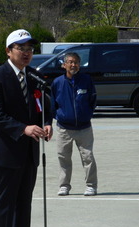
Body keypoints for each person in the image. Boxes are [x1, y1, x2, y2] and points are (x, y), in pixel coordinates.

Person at [0, 29, 53, 227]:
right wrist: (23, 128)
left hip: (30, 152)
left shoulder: (34, 76)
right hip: (5, 150)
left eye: (30, 48)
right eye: (21, 48)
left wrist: (47, 123)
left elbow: (45, 105)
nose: (26, 53)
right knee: (5, 205)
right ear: (8, 51)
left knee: (24, 204)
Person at [51, 52, 98, 196]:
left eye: (76, 62)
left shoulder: (86, 80)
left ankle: (91, 186)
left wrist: (87, 114)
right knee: (63, 157)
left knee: (88, 157)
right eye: (70, 62)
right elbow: (53, 104)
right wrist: (60, 116)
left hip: (84, 128)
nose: (73, 65)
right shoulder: (57, 82)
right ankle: (64, 185)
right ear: (64, 65)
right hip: (64, 128)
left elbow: (93, 99)